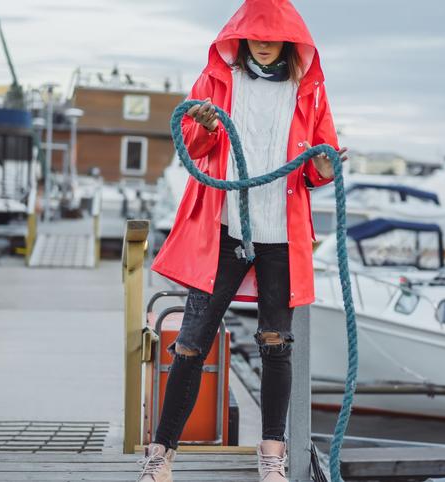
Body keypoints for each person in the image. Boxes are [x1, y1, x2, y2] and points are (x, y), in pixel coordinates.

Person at [143, 1, 346, 481]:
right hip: (222, 227)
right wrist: (207, 127)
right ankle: (160, 453)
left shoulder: (309, 89)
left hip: (280, 232)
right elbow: (190, 143)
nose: (262, 39)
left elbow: (322, 161)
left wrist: (324, 168)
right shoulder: (218, 80)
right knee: (191, 342)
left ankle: (272, 453)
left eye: (272, 32)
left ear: (290, 41)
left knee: (276, 344)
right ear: (242, 34)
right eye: (255, 30)